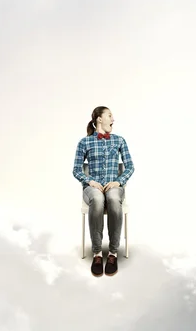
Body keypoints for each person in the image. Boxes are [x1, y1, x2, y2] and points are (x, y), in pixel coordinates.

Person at [72, 106, 135, 277]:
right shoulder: (84, 142)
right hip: (92, 187)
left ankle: (113, 254)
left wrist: (118, 181)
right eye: (109, 116)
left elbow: (130, 167)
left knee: (114, 199)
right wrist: (89, 181)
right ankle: (98, 254)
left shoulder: (119, 140)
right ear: (99, 119)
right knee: (98, 200)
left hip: (114, 186)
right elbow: (77, 170)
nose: (113, 119)